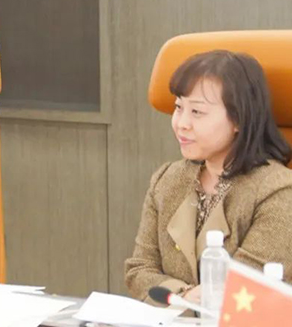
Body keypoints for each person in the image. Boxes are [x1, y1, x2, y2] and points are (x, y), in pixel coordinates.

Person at [125, 50, 292, 304]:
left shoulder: (278, 192)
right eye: (178, 107)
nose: (181, 123)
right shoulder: (167, 179)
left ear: (238, 119)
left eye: (197, 112)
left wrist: (180, 297)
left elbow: (242, 291)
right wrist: (185, 295)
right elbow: (138, 270)